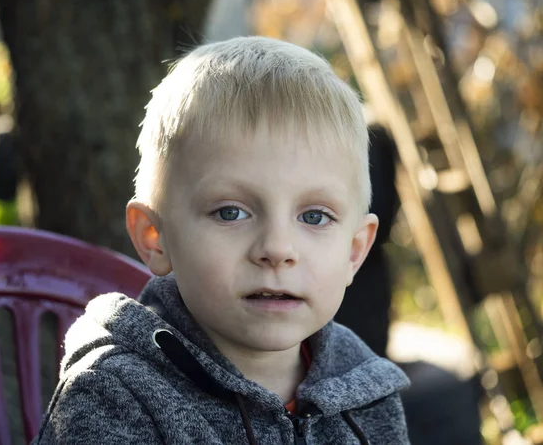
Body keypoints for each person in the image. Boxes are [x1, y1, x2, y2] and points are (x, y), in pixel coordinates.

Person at [32, 36, 410, 444]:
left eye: (314, 217)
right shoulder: (113, 397)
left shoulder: (367, 394)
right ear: (155, 238)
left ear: (354, 251)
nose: (277, 249)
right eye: (231, 212)